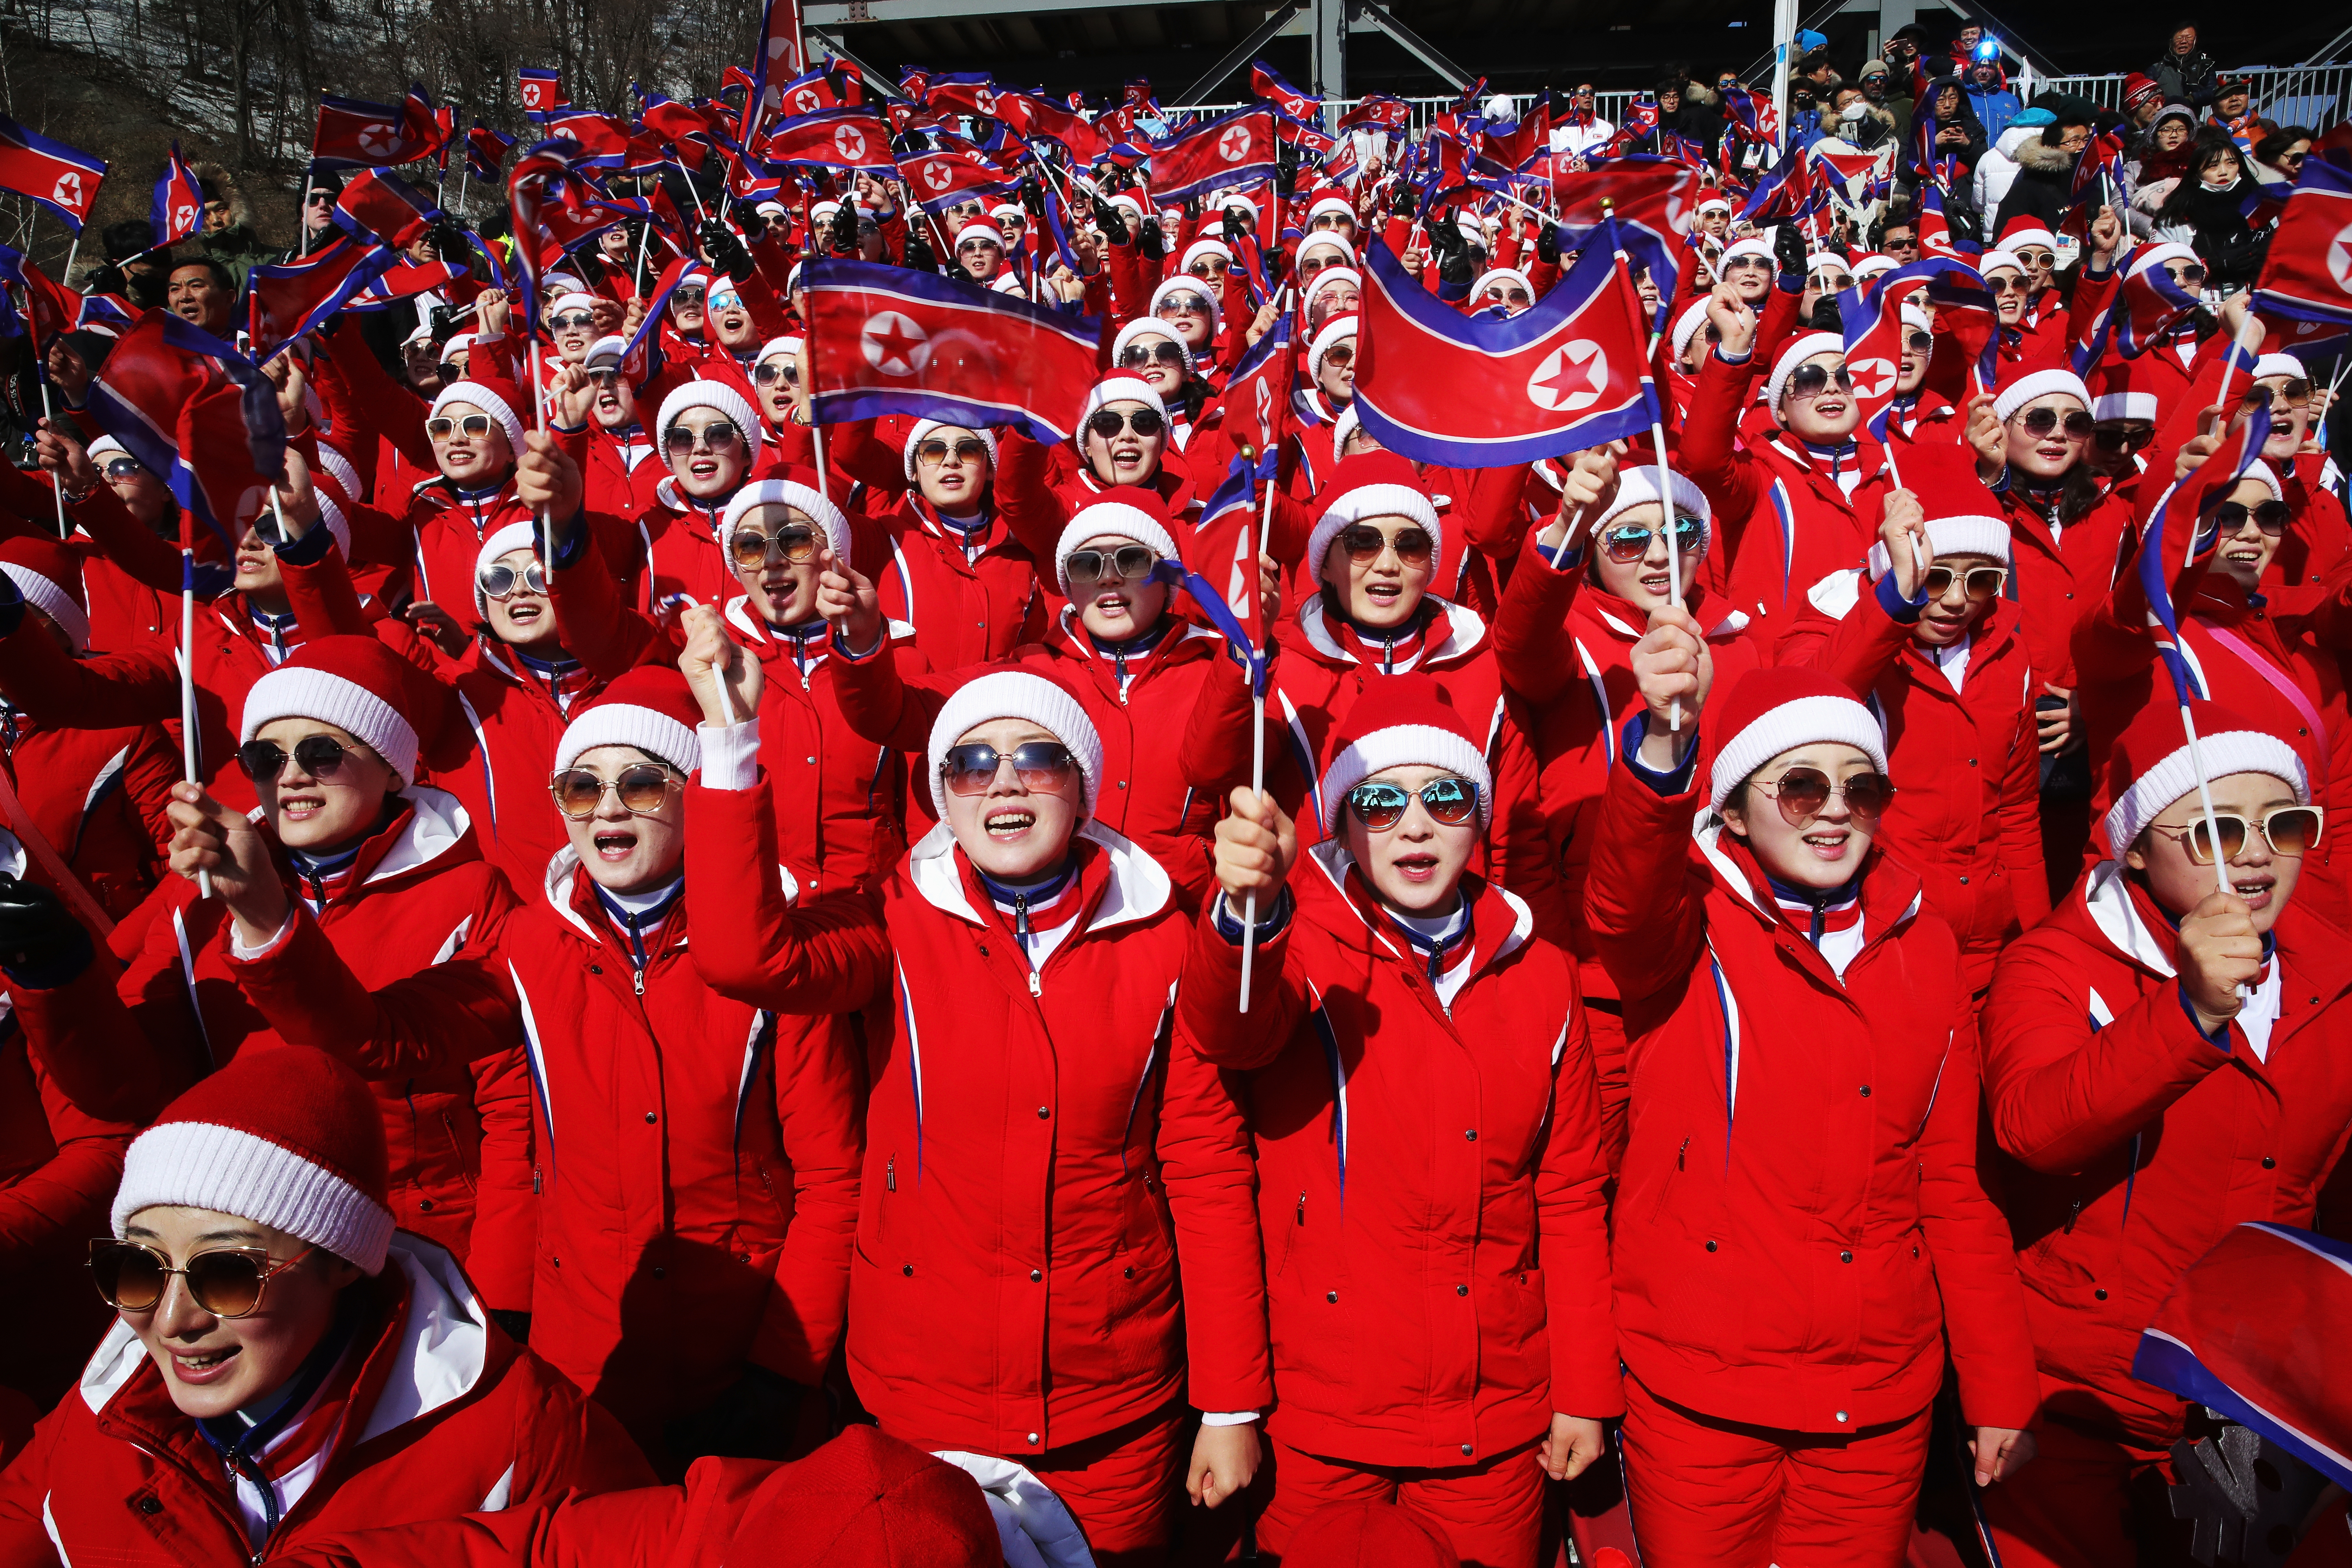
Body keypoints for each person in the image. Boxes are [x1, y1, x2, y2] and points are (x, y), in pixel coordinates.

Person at [683, 665, 1271, 1562]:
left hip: (1109, 1409)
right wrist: (729, 740)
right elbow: (744, 959)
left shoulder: (1160, 936)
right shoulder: (892, 915)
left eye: (1037, 758)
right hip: (926, 1401)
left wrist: (1229, 1404)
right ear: (942, 798)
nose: (1003, 780)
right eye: (970, 764)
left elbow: (1205, 1166)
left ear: (1082, 788)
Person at [1586, 658, 2038, 1563]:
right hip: (1703, 1388)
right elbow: (1622, 899)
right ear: (1736, 807)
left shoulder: (1929, 943)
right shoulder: (1687, 925)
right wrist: (1667, 744)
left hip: (1875, 1399)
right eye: (1799, 787)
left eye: (1861, 789)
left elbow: (1952, 1185)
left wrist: (1999, 1386)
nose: (1835, 810)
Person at [1190, 680, 1617, 1567]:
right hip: (1323, 1413)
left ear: (1481, 820)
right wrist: (1250, 914)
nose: (1415, 826)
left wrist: (1584, 1389)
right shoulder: (1299, 944)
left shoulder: (1539, 974)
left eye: (1446, 797)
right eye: (1380, 802)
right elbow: (1230, 1029)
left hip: (1489, 1416)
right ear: (1343, 825)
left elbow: (1569, 1192)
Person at [0, 1047, 655, 1564]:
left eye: (226, 1273)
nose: (172, 1321)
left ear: (343, 1261)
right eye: (138, 1268)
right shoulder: (100, 1409)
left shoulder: (523, 1443)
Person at [1977, 697, 2352, 1568]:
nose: (2256, 851)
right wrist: (2187, 1014)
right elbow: (2033, 1129)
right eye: (2215, 829)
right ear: (2135, 846)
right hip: (2079, 1400)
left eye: (2283, 823)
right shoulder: (2055, 962)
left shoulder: (2335, 968)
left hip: (2255, 1402)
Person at [477, 656, 864, 1474]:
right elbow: (518, 1148)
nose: (608, 807)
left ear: (698, 795)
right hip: (584, 1355)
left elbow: (833, 1176)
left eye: (642, 784)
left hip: (740, 1345)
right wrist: (504, 1309)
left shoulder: (780, 956)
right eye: (581, 788)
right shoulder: (526, 943)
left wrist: (783, 1364)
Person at [1777, 449, 2049, 1001]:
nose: (1955, 601)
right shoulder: (1839, 620)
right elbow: (1807, 705)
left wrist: (2036, 943)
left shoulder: (2008, 651)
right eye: (1937, 576)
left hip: (1990, 942)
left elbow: (2017, 811)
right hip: (1888, 934)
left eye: (1981, 581)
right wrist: (1895, 600)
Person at [2152, 135, 2269, 292]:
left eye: (2231, 163)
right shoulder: (2175, 220)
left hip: (2250, 306)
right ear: (2195, 175)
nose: (2223, 172)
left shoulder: (2265, 211)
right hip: (2198, 307)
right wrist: (2208, 267)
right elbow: (2157, 275)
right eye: (2213, 166)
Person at [2149, 21, 2218, 110]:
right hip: (2164, 116)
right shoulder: (2157, 69)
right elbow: (2147, 94)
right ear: (2171, 42)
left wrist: (2191, 99)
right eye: (2179, 38)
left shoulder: (2205, 67)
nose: (2183, 41)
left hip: (2192, 118)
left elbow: (2212, 92)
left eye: (2189, 38)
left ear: (2195, 41)